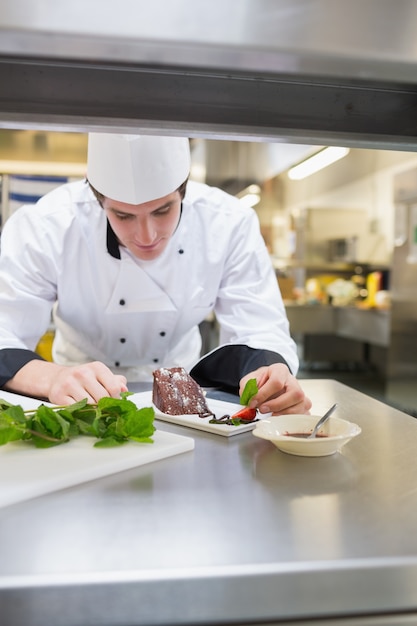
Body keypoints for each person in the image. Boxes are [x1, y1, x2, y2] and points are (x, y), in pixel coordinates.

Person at [0, 133, 311, 414]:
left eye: (163, 210)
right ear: (98, 199)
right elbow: (4, 330)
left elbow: (260, 326)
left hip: (186, 405)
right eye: (122, 215)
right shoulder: (45, 225)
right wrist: (53, 378)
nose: (146, 235)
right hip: (74, 401)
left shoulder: (228, 223)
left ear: (183, 190)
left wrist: (269, 371)